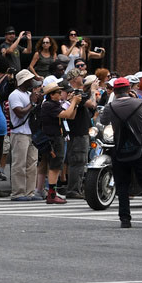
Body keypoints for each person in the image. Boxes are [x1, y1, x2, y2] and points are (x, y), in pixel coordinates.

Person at [100, 77, 142, 228]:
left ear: (114, 91)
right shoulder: (140, 103)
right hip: (140, 148)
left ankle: (125, 220)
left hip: (119, 149)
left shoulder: (110, 106)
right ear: (129, 90)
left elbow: (103, 121)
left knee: (122, 185)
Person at [38, 81, 80, 203]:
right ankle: (51, 194)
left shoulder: (54, 104)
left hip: (57, 137)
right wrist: (73, 102)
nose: (60, 94)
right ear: (51, 95)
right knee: (55, 166)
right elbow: (66, 114)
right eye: (58, 92)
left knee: (56, 166)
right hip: (53, 138)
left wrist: (75, 105)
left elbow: (71, 116)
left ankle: (52, 193)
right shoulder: (49, 105)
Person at [62, 69, 97, 198]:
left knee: (78, 160)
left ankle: (75, 188)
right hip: (78, 132)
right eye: (80, 76)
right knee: (78, 160)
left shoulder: (76, 92)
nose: (82, 78)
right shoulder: (75, 92)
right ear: (75, 78)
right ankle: (73, 190)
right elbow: (92, 104)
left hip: (77, 131)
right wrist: (93, 90)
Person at [7, 70, 40, 200]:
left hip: (30, 132)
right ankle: (18, 192)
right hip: (19, 132)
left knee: (32, 163)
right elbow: (20, 113)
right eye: (30, 79)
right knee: (19, 163)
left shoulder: (28, 94)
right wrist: (32, 103)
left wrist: (37, 101)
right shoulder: (15, 95)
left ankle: (29, 192)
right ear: (24, 81)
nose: (32, 82)